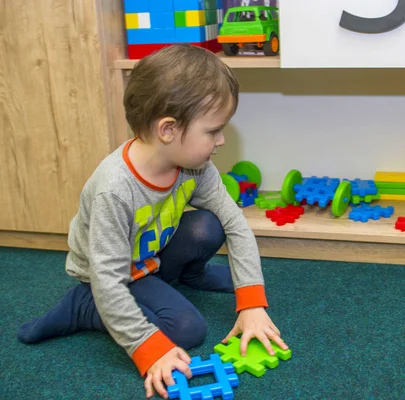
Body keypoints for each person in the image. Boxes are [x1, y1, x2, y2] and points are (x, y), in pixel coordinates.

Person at [17, 44, 288, 399]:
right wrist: (146, 346)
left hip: (150, 256)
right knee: (188, 329)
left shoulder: (196, 167)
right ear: (168, 130)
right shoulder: (115, 190)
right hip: (112, 273)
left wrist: (251, 303)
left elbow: (235, 224)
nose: (221, 140)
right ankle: (83, 306)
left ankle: (188, 276)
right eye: (213, 131)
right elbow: (109, 277)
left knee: (209, 224)